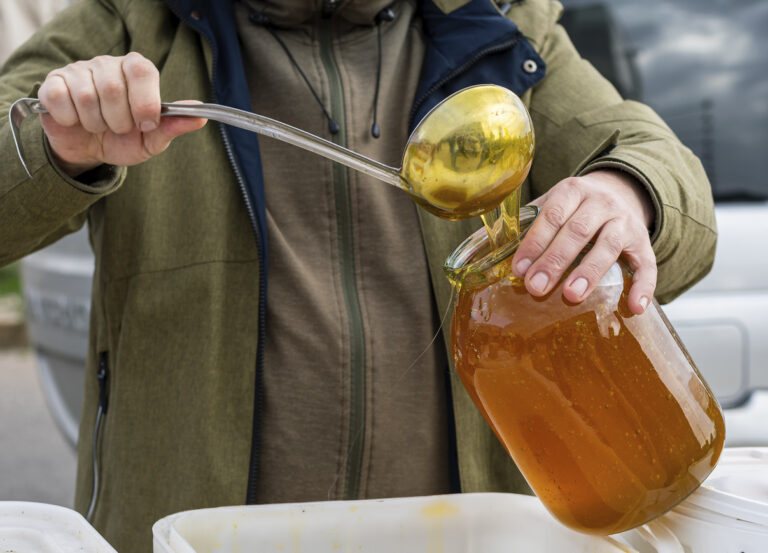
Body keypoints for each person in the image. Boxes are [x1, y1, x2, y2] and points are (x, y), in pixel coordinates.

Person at [0, 0, 716, 551]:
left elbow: (660, 164)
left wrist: (631, 191)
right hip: (194, 532)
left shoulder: (493, 21)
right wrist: (58, 148)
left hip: (457, 533)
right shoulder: (126, 23)